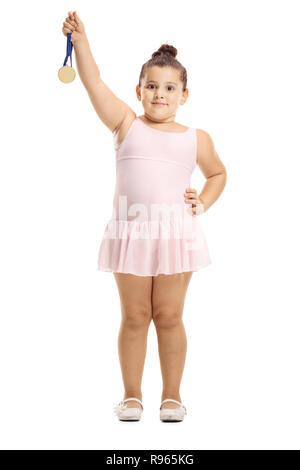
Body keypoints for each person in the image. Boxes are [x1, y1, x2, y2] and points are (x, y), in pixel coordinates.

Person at [62, 11, 227, 422]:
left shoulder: (196, 138)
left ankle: (172, 396)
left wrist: (203, 201)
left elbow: (218, 174)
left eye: (170, 88)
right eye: (152, 86)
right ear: (138, 91)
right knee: (135, 316)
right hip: (132, 231)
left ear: (184, 95)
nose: (160, 94)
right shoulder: (125, 124)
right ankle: (132, 396)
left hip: (176, 235)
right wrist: (81, 43)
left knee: (169, 316)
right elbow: (94, 83)